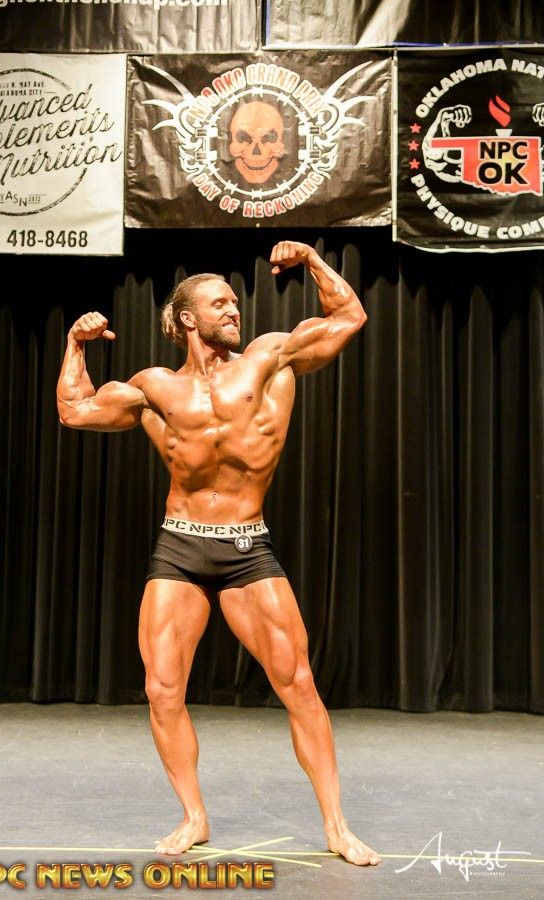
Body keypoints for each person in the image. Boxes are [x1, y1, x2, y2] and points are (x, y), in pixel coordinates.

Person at [56, 240, 380, 867]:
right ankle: (194, 816)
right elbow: (74, 411)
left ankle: (337, 826)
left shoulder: (269, 358)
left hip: (246, 547)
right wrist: (75, 345)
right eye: (220, 303)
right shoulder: (154, 387)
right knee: (162, 689)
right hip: (179, 546)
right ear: (187, 318)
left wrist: (313, 262)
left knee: (298, 683)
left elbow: (348, 317)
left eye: (234, 302)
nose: (234, 310)